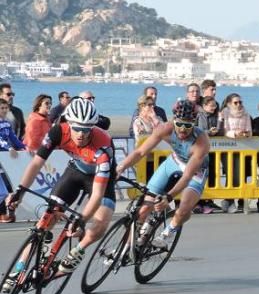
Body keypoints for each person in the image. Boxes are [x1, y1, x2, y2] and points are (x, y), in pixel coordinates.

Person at [4, 98, 116, 280]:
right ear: (69, 123)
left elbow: (97, 194)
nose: (81, 134)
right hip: (75, 171)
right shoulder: (58, 131)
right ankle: (20, 266)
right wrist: (19, 191)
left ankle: (77, 251)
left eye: (86, 129)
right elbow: (36, 164)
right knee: (48, 217)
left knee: (101, 222)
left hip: (100, 179)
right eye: (77, 128)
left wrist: (81, 219)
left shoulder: (103, 147)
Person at [117, 100, 210, 248]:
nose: (182, 130)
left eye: (187, 125)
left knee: (184, 209)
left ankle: (168, 233)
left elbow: (187, 177)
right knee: (145, 207)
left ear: (194, 123)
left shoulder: (202, 142)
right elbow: (140, 152)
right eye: (179, 124)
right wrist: (121, 167)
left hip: (195, 172)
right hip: (174, 161)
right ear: (173, 121)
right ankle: (125, 248)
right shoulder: (164, 128)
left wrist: (169, 197)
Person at [218, 94, 251, 213]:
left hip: (242, 147)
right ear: (229, 104)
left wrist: (246, 134)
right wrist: (234, 134)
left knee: (240, 175)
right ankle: (229, 200)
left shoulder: (246, 114)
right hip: (227, 148)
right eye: (235, 103)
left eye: (240, 102)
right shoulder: (224, 113)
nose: (239, 105)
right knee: (230, 174)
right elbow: (223, 130)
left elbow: (249, 129)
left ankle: (236, 200)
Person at [0, 97, 26, 222]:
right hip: (3, 158)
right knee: (4, 191)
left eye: (6, 108)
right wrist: (9, 148)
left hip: (4, 162)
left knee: (6, 190)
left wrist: (25, 147)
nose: (5, 110)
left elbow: (14, 138)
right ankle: (4, 214)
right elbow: (1, 141)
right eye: (2, 108)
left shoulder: (6, 123)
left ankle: (5, 213)